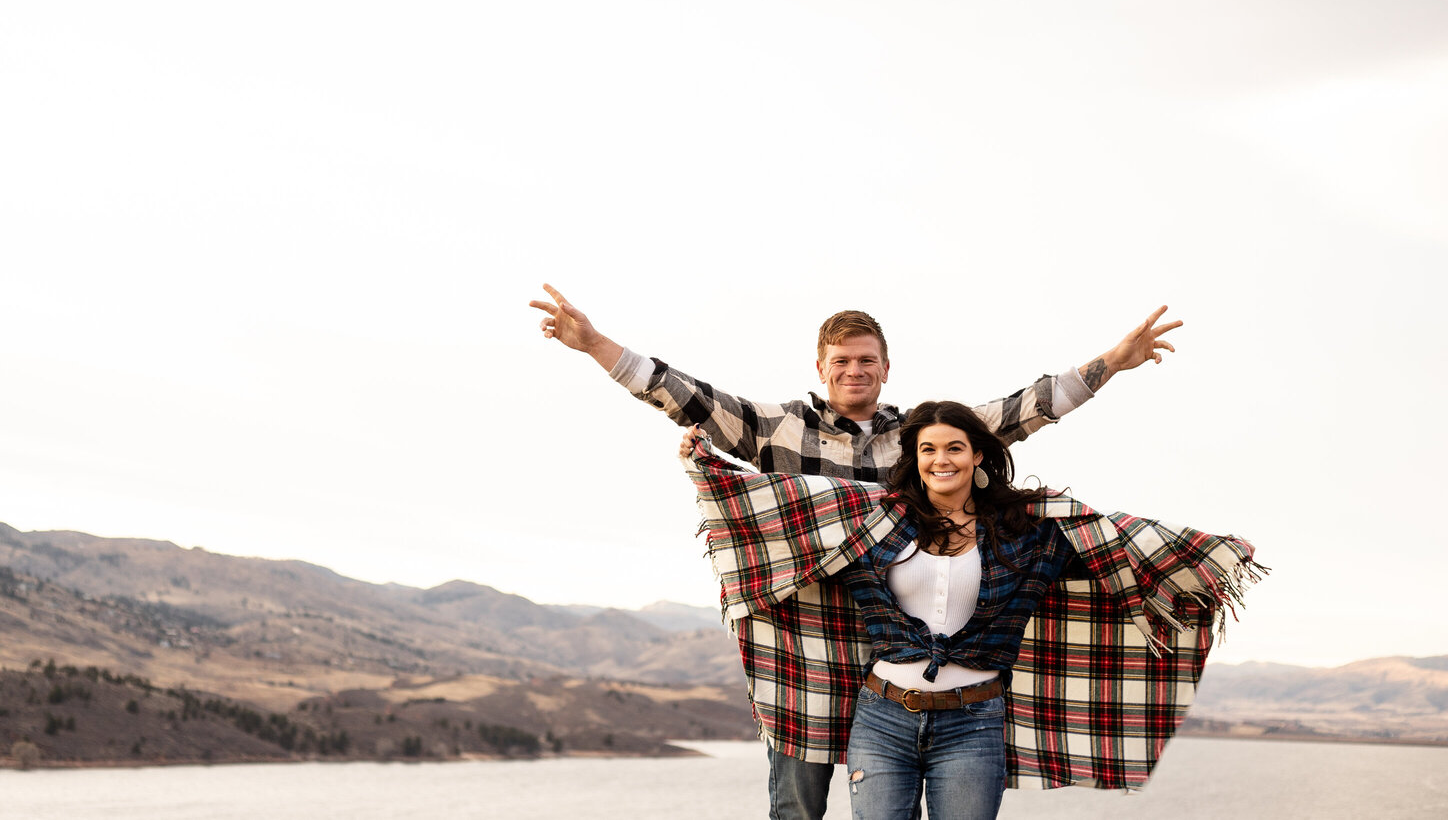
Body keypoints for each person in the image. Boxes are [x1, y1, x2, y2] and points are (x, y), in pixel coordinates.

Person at [530, 283, 1182, 820]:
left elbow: (1018, 410)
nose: (854, 370)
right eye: (841, 360)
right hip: (807, 646)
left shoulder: (919, 436)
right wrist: (593, 344)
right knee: (797, 804)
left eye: (866, 359)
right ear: (821, 368)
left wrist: (1111, 363)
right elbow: (685, 393)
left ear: (885, 367)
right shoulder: (780, 428)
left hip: (900, 648)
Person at [681, 403, 1263, 819]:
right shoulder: (876, 518)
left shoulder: (1025, 531)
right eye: (928, 449)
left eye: (954, 447)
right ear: (914, 457)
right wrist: (706, 463)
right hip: (881, 718)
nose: (941, 459)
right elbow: (778, 508)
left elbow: (1112, 540)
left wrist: (1208, 555)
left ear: (977, 455)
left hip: (974, 723)